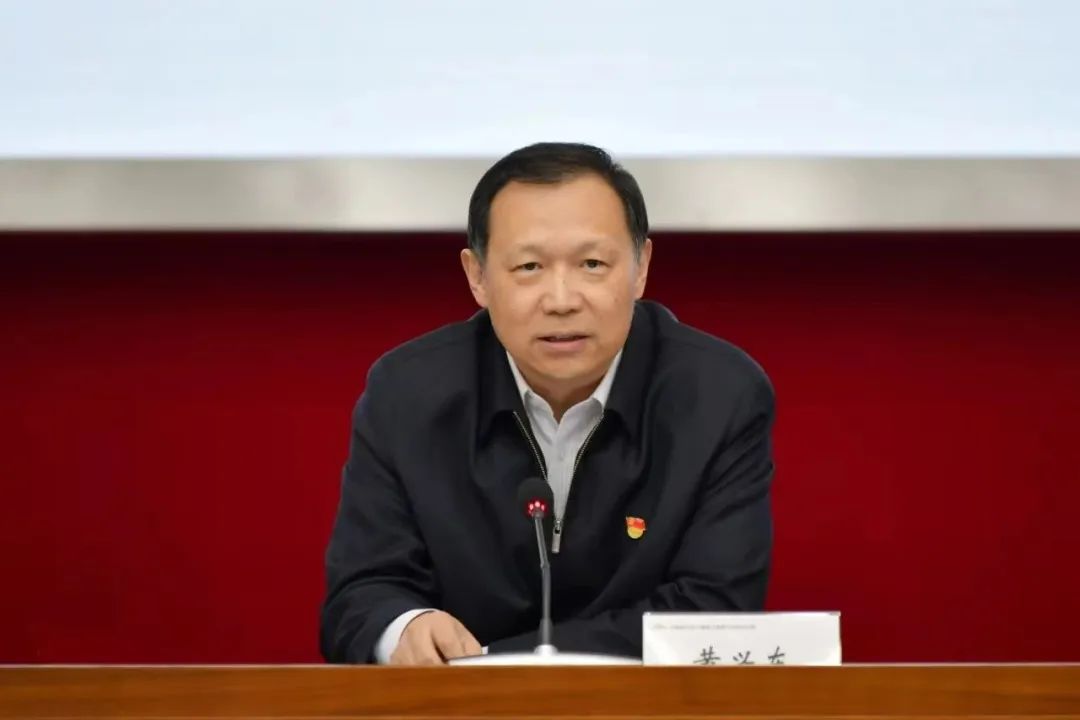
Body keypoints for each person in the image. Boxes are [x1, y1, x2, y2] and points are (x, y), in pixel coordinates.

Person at [321, 142, 775, 665]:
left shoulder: (718, 396)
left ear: (641, 267)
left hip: (645, 704)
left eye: (592, 264)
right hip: (454, 705)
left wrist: (488, 663)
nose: (561, 300)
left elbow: (713, 613)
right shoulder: (408, 394)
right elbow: (360, 595)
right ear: (477, 276)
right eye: (529, 266)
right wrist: (405, 628)